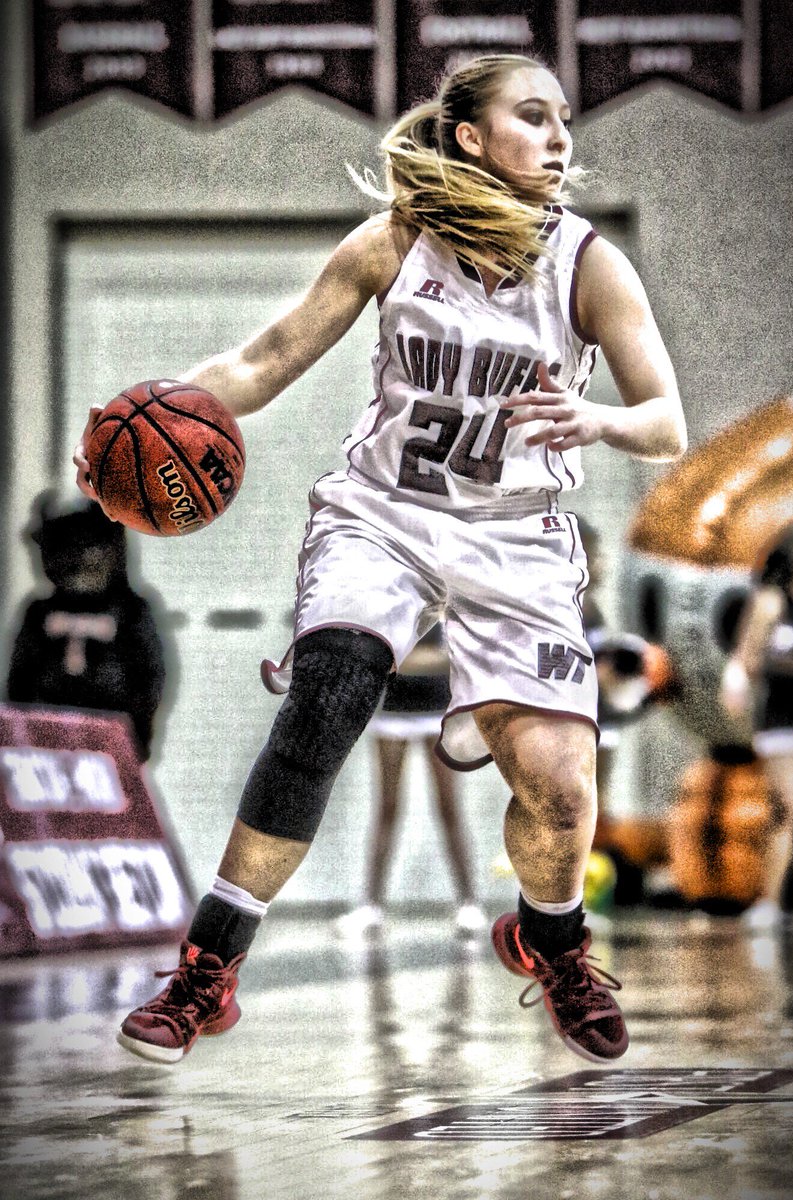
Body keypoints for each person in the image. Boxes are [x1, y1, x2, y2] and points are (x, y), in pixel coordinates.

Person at [74, 52, 686, 1066]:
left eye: (562, 118)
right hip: (386, 516)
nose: (559, 137)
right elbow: (264, 360)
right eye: (531, 117)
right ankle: (206, 970)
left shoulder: (587, 264)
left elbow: (665, 423)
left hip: (516, 537)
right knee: (327, 693)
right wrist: (150, 410)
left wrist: (598, 417)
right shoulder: (396, 242)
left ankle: (550, 940)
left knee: (559, 789)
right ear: (469, 138)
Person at [334, 622, 487, 938]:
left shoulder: (444, 599)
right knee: (387, 809)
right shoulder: (389, 603)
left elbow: (463, 655)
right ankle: (371, 908)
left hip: (437, 712)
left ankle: (469, 904)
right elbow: (378, 657)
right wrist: (425, 659)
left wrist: (412, 660)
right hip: (393, 714)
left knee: (448, 807)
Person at [6, 492, 168, 762]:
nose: (78, 560)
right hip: (46, 739)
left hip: (110, 738)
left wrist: (136, 732)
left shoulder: (130, 611)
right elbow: (20, 676)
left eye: (88, 548)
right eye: (65, 549)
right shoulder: (39, 612)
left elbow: (149, 676)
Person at [720, 523, 793, 929]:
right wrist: (735, 686)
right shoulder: (772, 602)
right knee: (787, 808)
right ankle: (769, 902)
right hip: (783, 719)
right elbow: (746, 659)